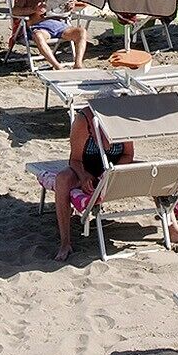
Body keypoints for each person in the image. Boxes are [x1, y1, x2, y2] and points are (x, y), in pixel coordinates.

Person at [49, 105, 129, 258]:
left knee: (154, 170)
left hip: (113, 168)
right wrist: (84, 176)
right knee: (62, 180)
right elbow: (74, 159)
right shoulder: (84, 120)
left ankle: (172, 227)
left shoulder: (122, 119)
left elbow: (128, 154)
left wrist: (111, 173)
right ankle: (65, 242)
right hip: (86, 168)